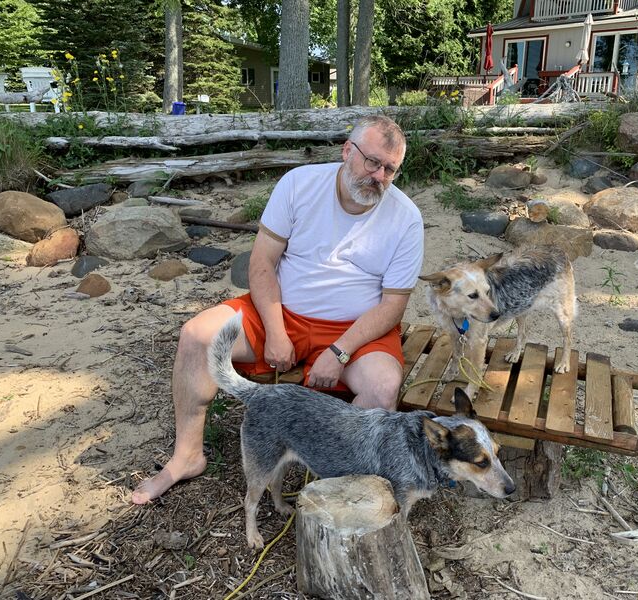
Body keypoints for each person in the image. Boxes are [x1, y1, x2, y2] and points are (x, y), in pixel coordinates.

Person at [132, 115, 424, 504]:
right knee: (197, 336)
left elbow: (392, 306)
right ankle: (187, 456)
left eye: (390, 169)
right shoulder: (299, 184)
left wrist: (340, 351)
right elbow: (262, 263)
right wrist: (275, 330)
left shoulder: (406, 218)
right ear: (347, 151)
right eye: (372, 162)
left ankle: (338, 477)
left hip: (356, 330)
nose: (379, 177)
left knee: (382, 388)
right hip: (281, 311)